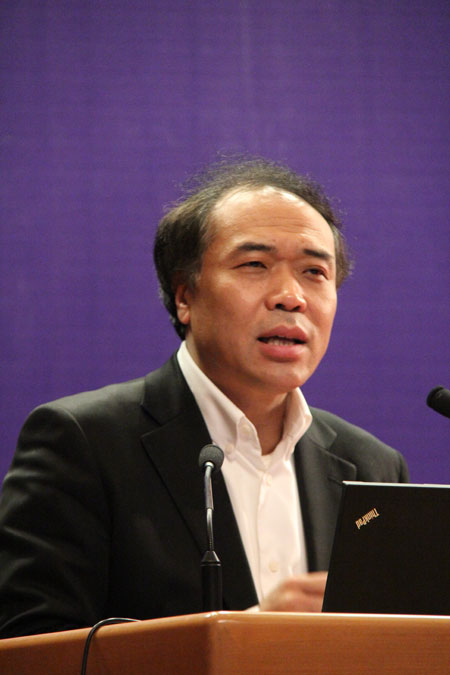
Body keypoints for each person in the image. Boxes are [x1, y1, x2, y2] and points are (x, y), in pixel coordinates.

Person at [0, 158, 409, 638]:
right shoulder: (85, 443)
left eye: (314, 271)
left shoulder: (372, 467)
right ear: (185, 297)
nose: (290, 296)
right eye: (254, 265)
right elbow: (28, 646)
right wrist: (244, 635)